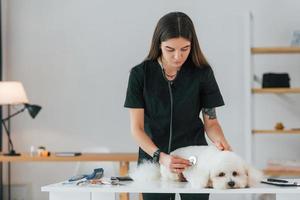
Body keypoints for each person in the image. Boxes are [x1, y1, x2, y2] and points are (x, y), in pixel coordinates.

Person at [124, 12, 232, 200]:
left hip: (195, 161)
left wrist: (221, 143)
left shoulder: (202, 74)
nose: (177, 56)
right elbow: (137, 129)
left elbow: (211, 123)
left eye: (185, 49)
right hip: (154, 161)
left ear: (192, 44)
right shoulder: (140, 75)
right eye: (170, 49)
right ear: (159, 44)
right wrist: (161, 157)